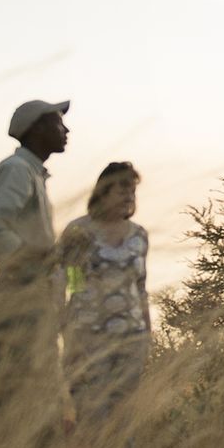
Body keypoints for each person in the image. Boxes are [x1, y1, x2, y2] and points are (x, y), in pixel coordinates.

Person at [0, 99, 70, 402]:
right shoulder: (17, 170)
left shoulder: (31, 174)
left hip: (31, 295)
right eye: (58, 123)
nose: (66, 129)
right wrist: (31, 272)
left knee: (34, 397)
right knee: (18, 397)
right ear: (37, 129)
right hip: (20, 297)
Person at [58, 162, 152, 426]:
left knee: (123, 419)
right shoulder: (79, 232)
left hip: (130, 339)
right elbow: (71, 283)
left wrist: (146, 334)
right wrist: (70, 335)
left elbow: (141, 286)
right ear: (103, 191)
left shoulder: (139, 236)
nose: (128, 196)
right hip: (89, 338)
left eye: (132, 191)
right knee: (90, 415)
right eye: (122, 190)